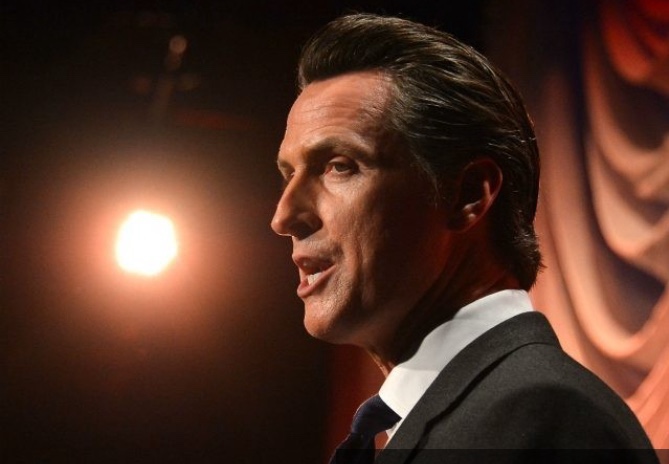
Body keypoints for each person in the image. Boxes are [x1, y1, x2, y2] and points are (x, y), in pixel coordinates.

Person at [270, 13, 659, 463]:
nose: (284, 216)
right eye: (288, 175)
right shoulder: (471, 415)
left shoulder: (547, 418)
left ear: (469, 195)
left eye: (340, 166)